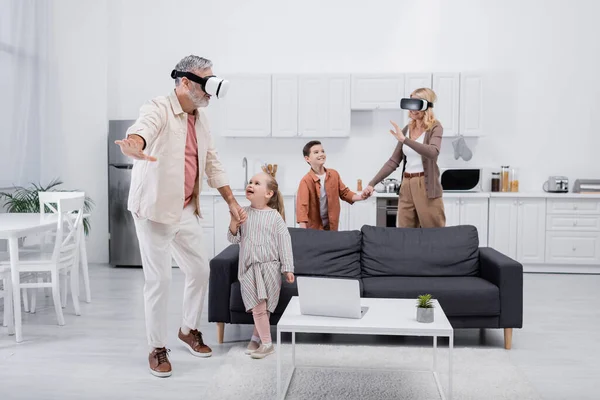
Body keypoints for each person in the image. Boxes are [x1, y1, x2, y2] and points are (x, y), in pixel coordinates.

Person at [115, 55, 247, 378]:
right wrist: (134, 143)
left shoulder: (201, 119)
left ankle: (188, 329)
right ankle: (156, 348)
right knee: (159, 280)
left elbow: (212, 162)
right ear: (185, 82)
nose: (211, 91)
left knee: (200, 270)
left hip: (186, 207)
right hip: (155, 211)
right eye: (207, 82)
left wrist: (231, 201)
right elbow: (143, 129)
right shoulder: (159, 107)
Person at [227, 172, 295, 359]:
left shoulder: (274, 217)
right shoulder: (242, 212)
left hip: (270, 269)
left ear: (268, 194)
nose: (251, 184)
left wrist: (287, 268)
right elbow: (233, 239)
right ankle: (267, 343)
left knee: (263, 309)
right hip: (248, 269)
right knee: (257, 306)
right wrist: (234, 221)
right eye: (250, 182)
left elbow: (284, 243)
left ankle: (257, 338)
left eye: (257, 183)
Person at [362, 88, 446, 228]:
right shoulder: (407, 129)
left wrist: (404, 140)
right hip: (406, 185)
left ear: (426, 106)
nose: (412, 110)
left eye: (416, 104)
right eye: (410, 104)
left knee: (433, 232)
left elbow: (433, 152)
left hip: (425, 185)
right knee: (404, 233)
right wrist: (372, 183)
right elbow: (393, 161)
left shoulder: (435, 127)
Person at [296, 140, 366, 231]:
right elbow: (302, 208)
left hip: (332, 227)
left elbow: (345, 193)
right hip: (314, 229)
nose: (321, 154)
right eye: (316, 152)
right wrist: (303, 233)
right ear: (307, 158)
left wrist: (362, 197)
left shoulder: (334, 174)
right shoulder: (305, 181)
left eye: (322, 151)